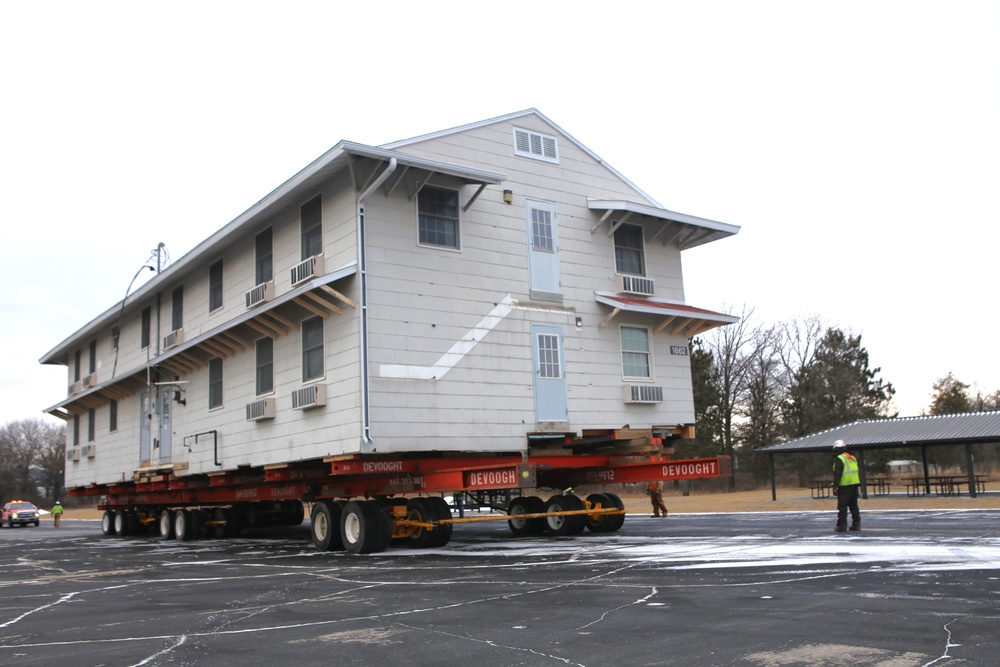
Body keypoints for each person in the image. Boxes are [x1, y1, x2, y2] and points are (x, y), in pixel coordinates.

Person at [832, 440, 861, 532]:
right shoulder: (852, 457)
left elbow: (838, 473)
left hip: (845, 485)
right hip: (854, 484)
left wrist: (835, 486)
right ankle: (856, 525)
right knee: (854, 506)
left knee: (842, 506)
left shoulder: (840, 458)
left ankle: (842, 525)